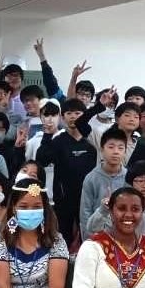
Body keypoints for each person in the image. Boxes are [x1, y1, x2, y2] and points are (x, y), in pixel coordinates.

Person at [36, 98, 98, 242]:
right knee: (63, 238)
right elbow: (42, 160)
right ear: (62, 117)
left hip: (88, 198)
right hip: (63, 199)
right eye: (69, 113)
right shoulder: (58, 141)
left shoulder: (91, 142)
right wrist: (46, 135)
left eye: (77, 113)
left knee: (88, 237)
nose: (73, 117)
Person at [84, 160, 145, 243]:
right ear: (131, 183)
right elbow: (92, 229)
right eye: (140, 181)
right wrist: (103, 210)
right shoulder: (118, 206)